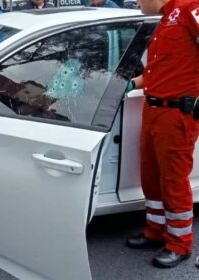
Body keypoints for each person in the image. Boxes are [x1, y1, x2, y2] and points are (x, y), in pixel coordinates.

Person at [125, 0, 199, 269]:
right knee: (150, 175)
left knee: (173, 179)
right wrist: (129, 83)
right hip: (153, 109)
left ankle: (180, 244)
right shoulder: (164, 19)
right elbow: (156, 73)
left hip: (177, 113)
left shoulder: (190, 9)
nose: (137, 2)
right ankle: (155, 232)